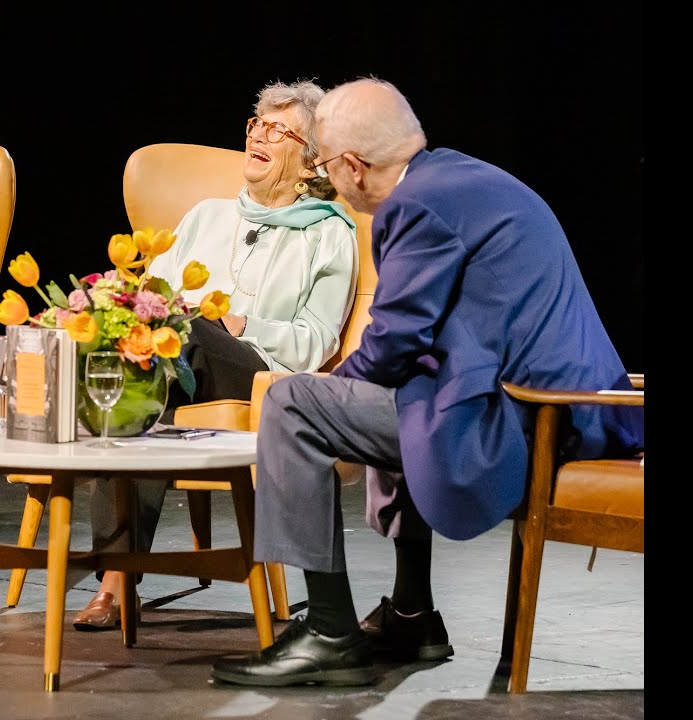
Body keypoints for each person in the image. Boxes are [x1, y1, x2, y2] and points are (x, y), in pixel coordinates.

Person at [209, 77, 645, 686]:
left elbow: (391, 344)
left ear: (355, 167)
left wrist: (333, 397)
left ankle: (329, 633)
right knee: (407, 389)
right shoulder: (460, 178)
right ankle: (412, 616)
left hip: (533, 420)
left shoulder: (419, 207)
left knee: (294, 402)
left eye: (328, 167)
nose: (327, 180)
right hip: (574, 408)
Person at [72, 79, 360, 630]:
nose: (259, 135)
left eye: (279, 130)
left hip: (258, 377)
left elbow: (315, 342)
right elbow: (148, 300)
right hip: (177, 367)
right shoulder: (206, 215)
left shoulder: (329, 235)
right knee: (135, 357)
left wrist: (240, 323)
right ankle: (117, 577)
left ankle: (113, 578)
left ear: (310, 162)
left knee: (183, 339)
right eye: (257, 124)